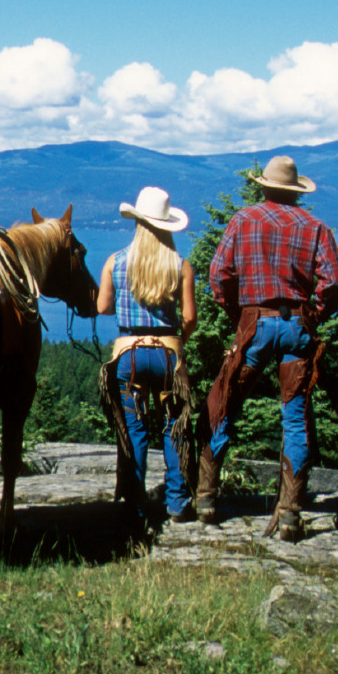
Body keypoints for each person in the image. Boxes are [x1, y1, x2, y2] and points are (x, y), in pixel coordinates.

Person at [198, 155, 338, 540]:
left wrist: (237, 316)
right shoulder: (315, 227)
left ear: (264, 186)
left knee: (225, 402)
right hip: (296, 325)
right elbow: (332, 281)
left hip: (254, 323)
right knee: (295, 418)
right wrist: (313, 313)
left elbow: (219, 275)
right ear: (296, 190)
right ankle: (291, 511)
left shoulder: (243, 220)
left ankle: (207, 497)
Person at [96, 186, 198, 527]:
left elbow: (102, 306)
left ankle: (135, 505)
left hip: (128, 356)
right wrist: (175, 340)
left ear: (138, 223)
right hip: (169, 356)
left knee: (134, 430)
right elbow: (189, 319)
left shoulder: (115, 261)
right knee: (175, 428)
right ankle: (178, 503)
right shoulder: (182, 266)